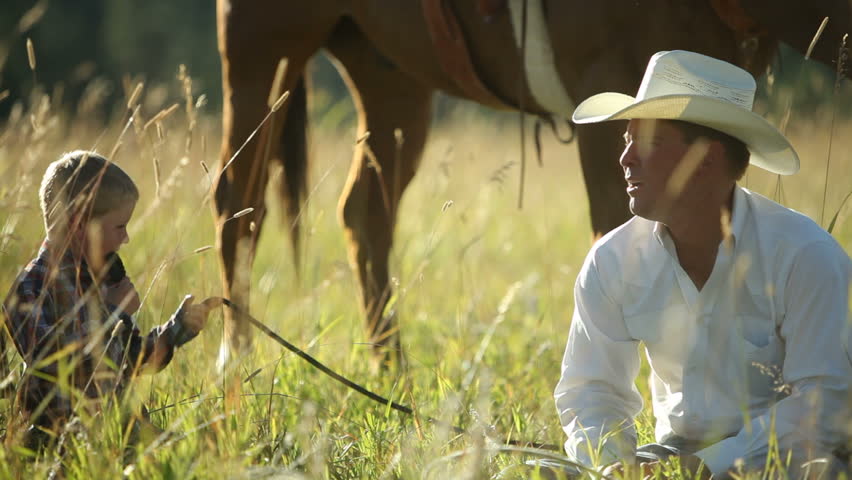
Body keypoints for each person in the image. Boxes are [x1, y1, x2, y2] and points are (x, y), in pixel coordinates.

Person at [541, 51, 852, 479]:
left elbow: (825, 402)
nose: (625, 158)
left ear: (705, 158)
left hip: (776, 459)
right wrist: (614, 464)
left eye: (646, 142)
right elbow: (592, 391)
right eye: (626, 140)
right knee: (536, 473)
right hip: (670, 454)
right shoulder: (611, 259)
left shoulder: (804, 255)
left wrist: (705, 466)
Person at [1, 150, 221, 450]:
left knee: (201, 450)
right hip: (58, 439)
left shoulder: (103, 279)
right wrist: (111, 313)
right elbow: (53, 367)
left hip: (120, 427)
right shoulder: (32, 288)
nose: (126, 238)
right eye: (120, 226)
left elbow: (130, 361)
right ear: (80, 224)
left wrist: (177, 330)